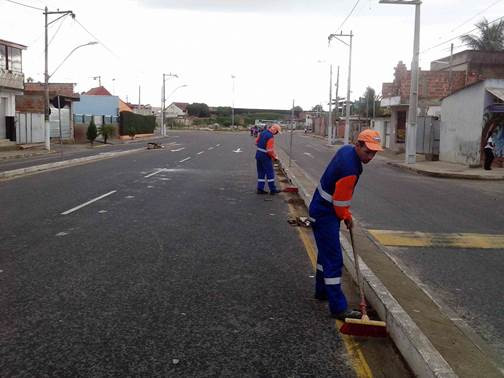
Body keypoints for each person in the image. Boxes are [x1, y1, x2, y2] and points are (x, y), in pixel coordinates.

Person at [309, 129, 383, 320]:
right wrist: (347, 216)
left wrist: (343, 214)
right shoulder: (351, 168)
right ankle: (338, 307)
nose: (371, 157)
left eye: (374, 153)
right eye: (368, 152)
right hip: (326, 213)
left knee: (325, 254)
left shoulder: (346, 151)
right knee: (334, 260)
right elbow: (340, 203)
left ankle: (322, 291)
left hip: (319, 207)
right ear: (358, 145)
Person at [255, 123, 282, 195]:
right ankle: (273, 190)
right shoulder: (270, 137)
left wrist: (261, 147)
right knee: (270, 173)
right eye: (277, 132)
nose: (276, 133)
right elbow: (269, 150)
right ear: (275, 130)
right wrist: (275, 157)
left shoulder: (263, 132)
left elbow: (256, 142)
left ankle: (260, 189)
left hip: (258, 154)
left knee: (261, 172)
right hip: (265, 157)